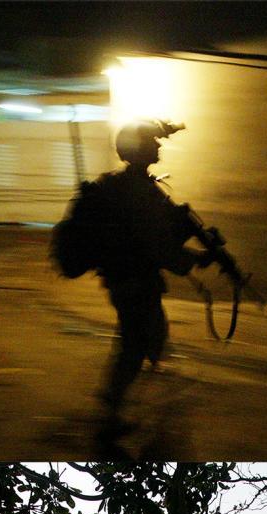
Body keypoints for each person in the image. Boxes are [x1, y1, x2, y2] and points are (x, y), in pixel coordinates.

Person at [91, 120, 213, 437]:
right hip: (133, 281)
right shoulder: (139, 193)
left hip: (130, 280)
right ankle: (111, 410)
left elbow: (163, 235)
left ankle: (125, 399)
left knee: (151, 337)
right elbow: (157, 246)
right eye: (154, 143)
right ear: (141, 150)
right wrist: (194, 260)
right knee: (134, 345)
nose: (159, 147)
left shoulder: (135, 186)